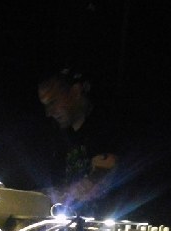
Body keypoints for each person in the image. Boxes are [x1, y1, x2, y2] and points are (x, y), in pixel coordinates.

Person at [36, 64, 126, 218]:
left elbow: (99, 181)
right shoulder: (61, 136)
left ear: (76, 92)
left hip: (104, 224)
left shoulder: (106, 126)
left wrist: (49, 195)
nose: (49, 113)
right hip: (69, 225)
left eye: (53, 102)